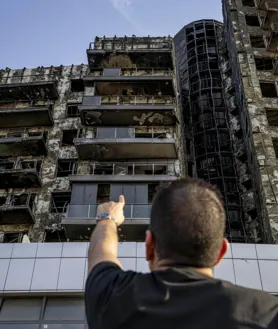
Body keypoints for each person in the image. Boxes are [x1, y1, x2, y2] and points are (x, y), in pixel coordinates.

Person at [85, 178, 278, 329]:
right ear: (221, 251)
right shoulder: (267, 314)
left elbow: (101, 253)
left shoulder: (113, 298)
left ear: (150, 245)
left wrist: (107, 219)